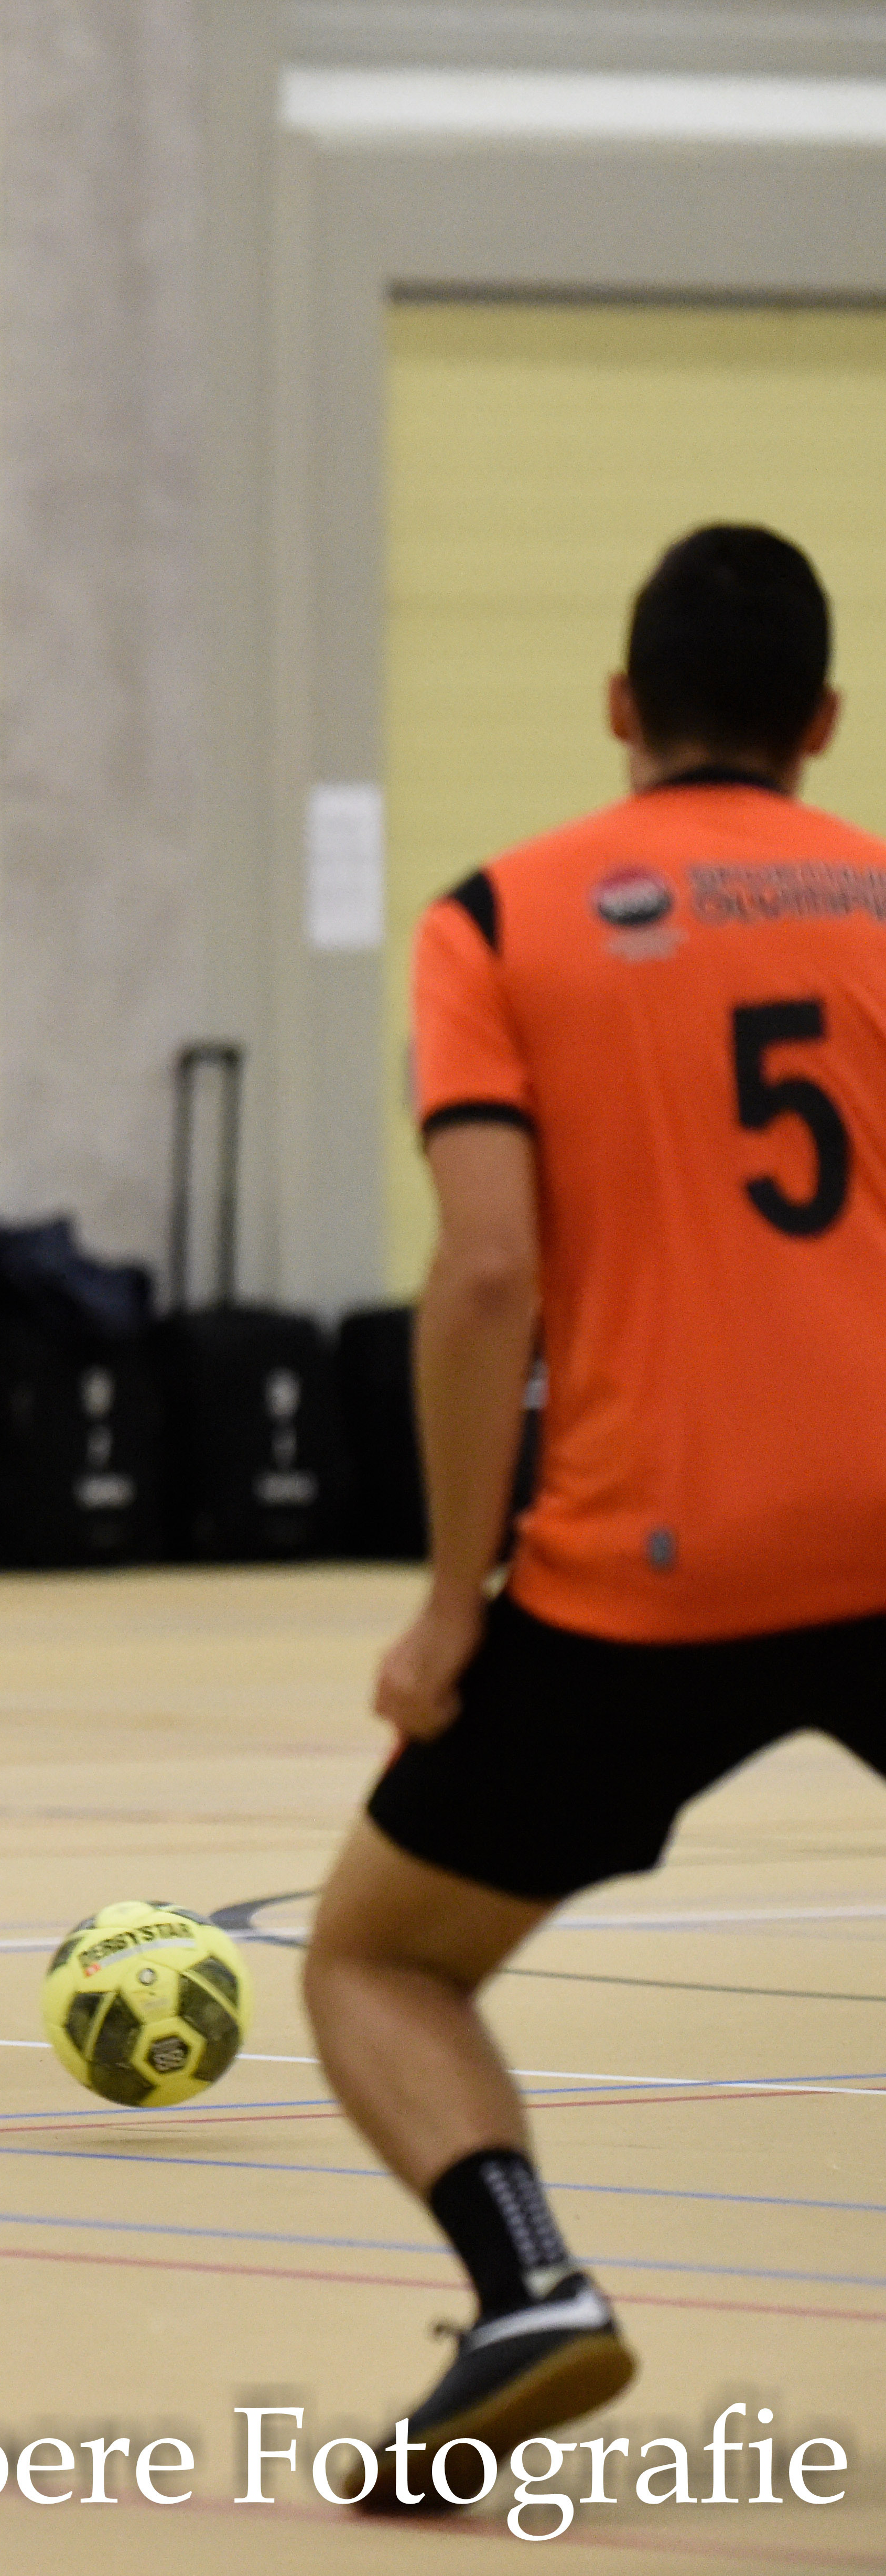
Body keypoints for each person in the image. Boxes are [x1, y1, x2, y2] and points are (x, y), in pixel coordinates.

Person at [309, 523, 885, 2503]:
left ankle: (527, 2286)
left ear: (622, 706)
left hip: (648, 1565)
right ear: (822, 720)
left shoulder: (498, 919)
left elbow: (485, 1274)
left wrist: (450, 1603)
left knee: (377, 1958)